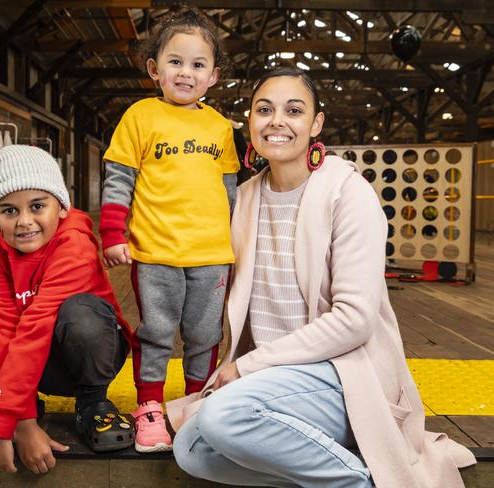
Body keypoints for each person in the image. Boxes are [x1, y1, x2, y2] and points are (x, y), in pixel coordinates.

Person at [170, 68, 476, 487]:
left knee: (224, 418)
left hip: (342, 375)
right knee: (191, 449)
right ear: (250, 122)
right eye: (264, 109)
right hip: (273, 381)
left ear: (315, 124)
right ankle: (349, 475)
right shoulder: (244, 198)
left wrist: (244, 368)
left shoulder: (347, 192)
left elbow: (355, 319)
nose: (277, 120)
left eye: (293, 110)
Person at [0, 145, 134, 474]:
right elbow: (1, 329)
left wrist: (7, 424)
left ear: (60, 207)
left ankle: (92, 401)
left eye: (37, 206)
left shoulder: (74, 244)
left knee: (81, 311)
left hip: (82, 355)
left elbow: (37, 326)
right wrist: (19, 420)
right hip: (27, 362)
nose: (24, 221)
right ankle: (0, 394)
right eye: (8, 210)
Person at [98, 6, 239, 453]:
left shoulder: (219, 127)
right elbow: (119, 179)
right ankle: (151, 408)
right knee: (157, 332)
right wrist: (113, 235)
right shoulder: (140, 116)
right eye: (175, 62)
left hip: (211, 255)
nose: (186, 72)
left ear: (213, 76)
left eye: (198, 65)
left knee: (205, 335)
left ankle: (196, 403)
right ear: (154, 69)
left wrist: (236, 240)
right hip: (155, 252)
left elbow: (229, 190)